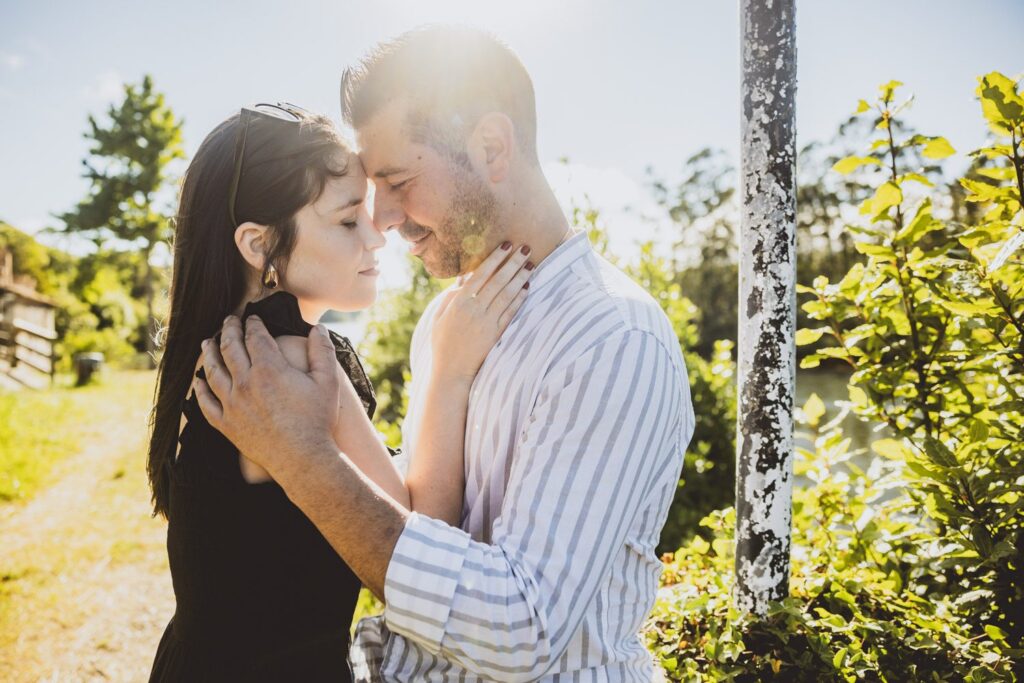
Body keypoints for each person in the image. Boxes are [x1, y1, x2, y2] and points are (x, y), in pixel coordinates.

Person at [196, 26, 696, 681]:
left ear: (491, 146)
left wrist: (304, 460)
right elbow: (427, 521)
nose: (383, 218)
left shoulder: (611, 337)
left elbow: (524, 629)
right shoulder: (444, 320)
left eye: (397, 181)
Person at [146, 102, 532, 681]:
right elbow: (420, 537)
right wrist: (451, 367)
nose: (378, 236)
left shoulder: (221, 348)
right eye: (348, 220)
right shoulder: (292, 359)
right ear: (260, 245)